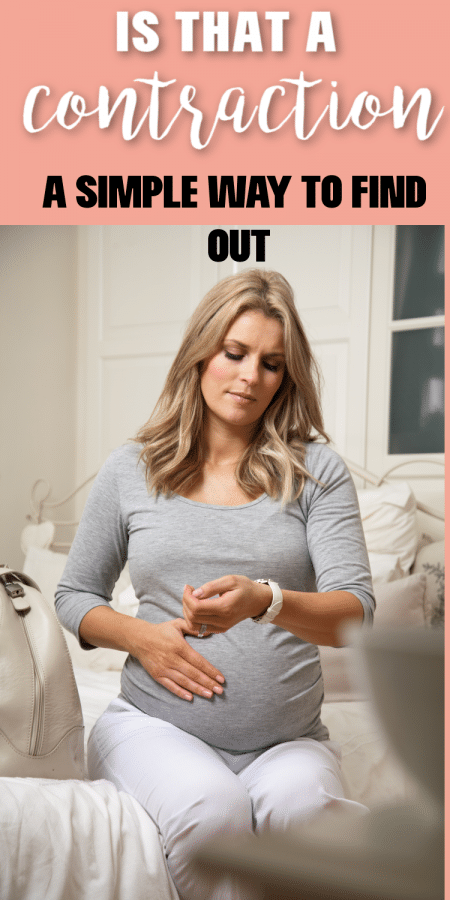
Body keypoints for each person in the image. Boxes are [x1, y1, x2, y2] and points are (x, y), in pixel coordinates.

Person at [55, 269, 375, 900]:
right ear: (201, 353)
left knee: (305, 819)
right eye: (235, 353)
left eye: (272, 364)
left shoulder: (318, 472)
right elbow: (73, 595)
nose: (251, 376)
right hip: (154, 727)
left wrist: (268, 600)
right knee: (214, 812)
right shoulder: (131, 468)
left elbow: (354, 614)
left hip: (289, 742)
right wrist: (143, 639)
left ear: (288, 377)